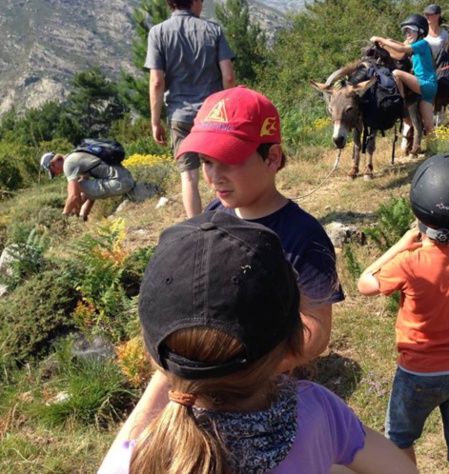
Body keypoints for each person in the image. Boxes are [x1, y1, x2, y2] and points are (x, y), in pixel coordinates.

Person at [101, 86, 346, 457]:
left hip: (269, 390)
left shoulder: (304, 238)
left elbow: (315, 331)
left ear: (273, 158)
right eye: (206, 161)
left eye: (229, 160)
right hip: (209, 386)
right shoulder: (214, 217)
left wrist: (243, 372)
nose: (214, 175)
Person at [98, 211, 418, 474]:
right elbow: (403, 471)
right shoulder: (315, 410)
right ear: (293, 341)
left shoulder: (137, 460)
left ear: (152, 353)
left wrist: (171, 369)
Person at [357, 154, 449, 474]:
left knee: (399, 439)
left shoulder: (409, 262)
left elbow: (365, 283)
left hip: (419, 372)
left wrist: (401, 245)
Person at [145, 0, 236, 218]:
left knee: (189, 177)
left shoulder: (158, 33)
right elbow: (229, 76)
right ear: (195, 1)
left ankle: (196, 227)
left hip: (180, 115)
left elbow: (157, 82)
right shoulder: (213, 30)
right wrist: (229, 107)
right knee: (227, 168)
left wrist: (155, 121)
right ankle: (237, 218)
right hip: (213, 113)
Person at [370, 14, 437, 138]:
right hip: (430, 88)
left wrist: (380, 39)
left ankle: (401, 103)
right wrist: (388, 41)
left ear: (421, 32)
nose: (407, 34)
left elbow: (401, 49)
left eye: (410, 31)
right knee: (428, 124)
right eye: (405, 31)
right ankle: (435, 148)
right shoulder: (420, 45)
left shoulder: (422, 43)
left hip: (425, 83)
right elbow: (401, 45)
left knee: (396, 73)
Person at [40, 149, 135, 220]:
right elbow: (90, 194)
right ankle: (82, 216)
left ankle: (76, 215)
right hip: (127, 180)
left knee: (75, 186)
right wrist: (81, 215)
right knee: (80, 185)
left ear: (53, 164)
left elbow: (74, 196)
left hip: (120, 184)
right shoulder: (76, 155)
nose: (57, 174)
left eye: (53, 172)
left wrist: (64, 215)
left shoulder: (68, 164)